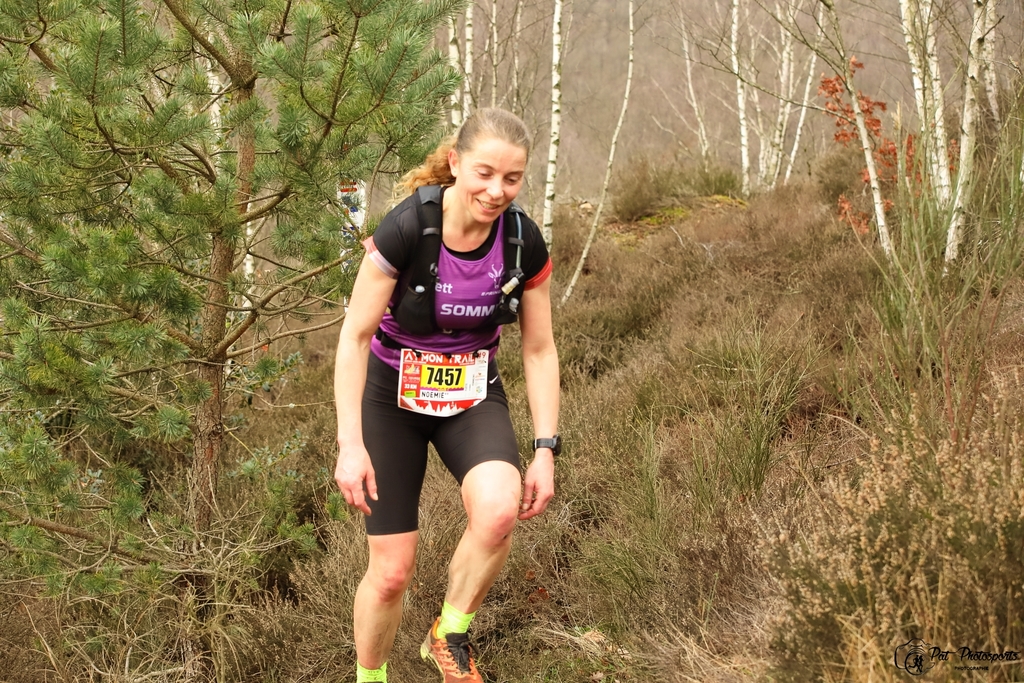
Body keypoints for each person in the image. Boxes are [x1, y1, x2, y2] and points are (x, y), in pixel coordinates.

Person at [332, 108, 560, 683]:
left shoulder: (522, 241)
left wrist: (545, 449)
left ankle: (449, 633)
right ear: (455, 163)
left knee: (500, 509)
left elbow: (539, 350)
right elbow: (354, 337)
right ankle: (371, 678)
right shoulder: (407, 227)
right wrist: (350, 445)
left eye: (511, 178)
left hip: (472, 393)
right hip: (391, 400)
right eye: (484, 173)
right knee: (391, 573)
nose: (496, 190)